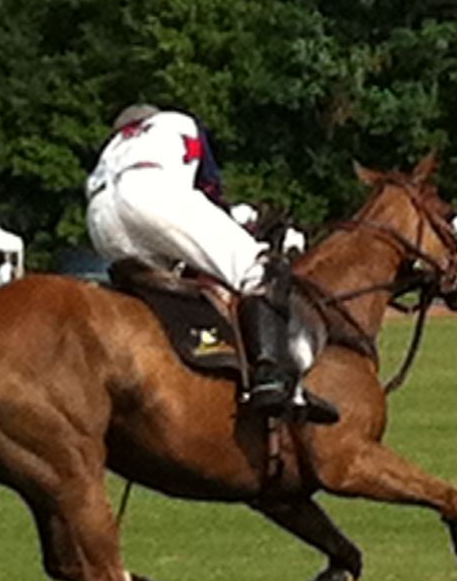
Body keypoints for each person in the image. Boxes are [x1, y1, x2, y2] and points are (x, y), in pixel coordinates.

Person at [84, 102, 336, 424]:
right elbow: (209, 192)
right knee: (261, 271)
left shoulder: (114, 146)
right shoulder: (177, 123)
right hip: (151, 196)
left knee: (171, 287)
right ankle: (271, 379)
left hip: (99, 218)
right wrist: (246, 224)